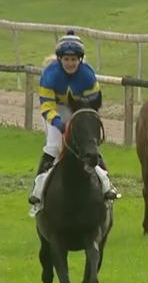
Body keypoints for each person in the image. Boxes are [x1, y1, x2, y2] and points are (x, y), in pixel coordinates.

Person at [29, 31, 117, 204]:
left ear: (80, 59)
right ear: (60, 59)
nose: (70, 63)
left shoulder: (87, 75)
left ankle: (107, 185)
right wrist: (59, 124)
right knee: (54, 147)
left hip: (79, 108)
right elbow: (47, 106)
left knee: (88, 145)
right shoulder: (50, 74)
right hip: (57, 109)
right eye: (67, 59)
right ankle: (38, 191)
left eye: (74, 59)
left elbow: (92, 103)